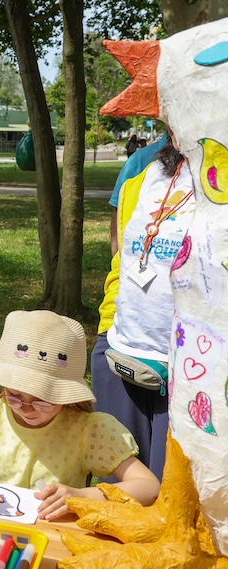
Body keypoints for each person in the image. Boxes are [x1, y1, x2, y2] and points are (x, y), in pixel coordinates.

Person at [0, 310, 160, 521]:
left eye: (43, 401)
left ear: (66, 395)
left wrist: (80, 496)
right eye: (14, 396)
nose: (26, 407)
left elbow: (148, 486)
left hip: (54, 535)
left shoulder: (87, 431)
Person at [91, 134, 191, 480]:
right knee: (120, 486)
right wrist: (108, 331)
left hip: (193, 367)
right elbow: (122, 253)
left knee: (175, 492)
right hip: (121, 349)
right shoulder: (144, 174)